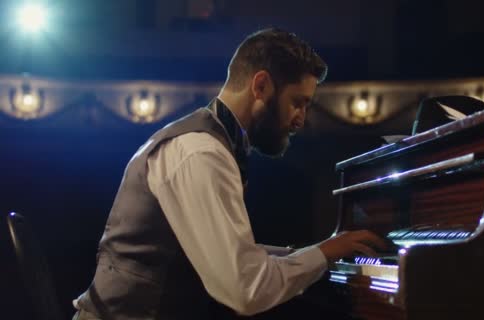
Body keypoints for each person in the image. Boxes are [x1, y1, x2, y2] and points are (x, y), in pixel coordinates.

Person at [72, 28, 387, 320]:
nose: (300, 120)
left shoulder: (207, 142)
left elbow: (233, 256)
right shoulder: (202, 152)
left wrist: (314, 255)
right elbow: (244, 289)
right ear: (261, 86)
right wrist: (321, 254)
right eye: (297, 103)